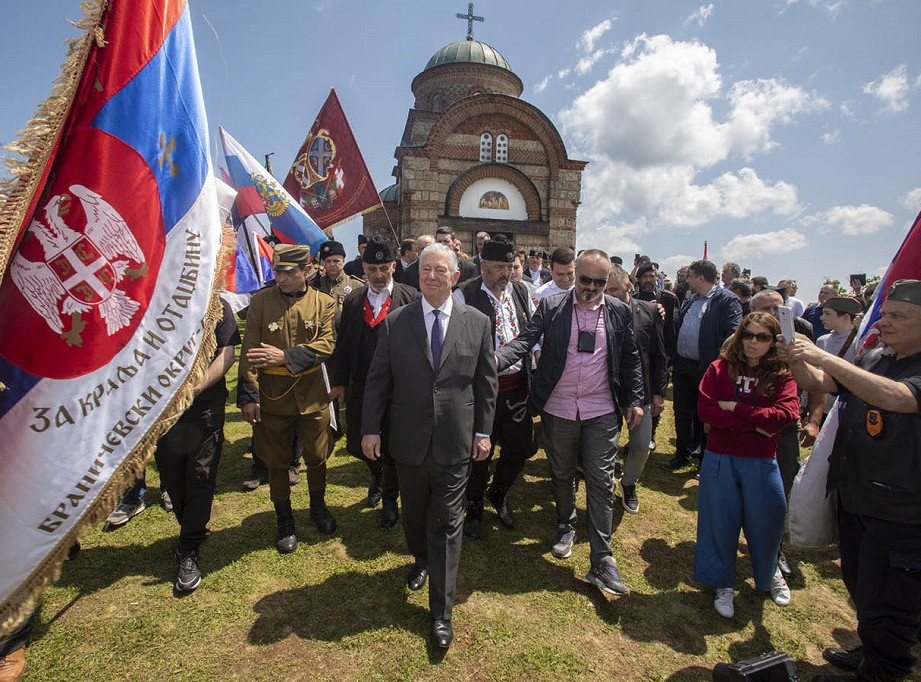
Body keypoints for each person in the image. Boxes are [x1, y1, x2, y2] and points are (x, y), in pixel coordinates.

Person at [361, 243, 497, 649]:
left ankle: (441, 613)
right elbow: (378, 381)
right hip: (408, 440)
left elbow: (485, 385)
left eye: (440, 270)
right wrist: (371, 429)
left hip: (456, 440)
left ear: (455, 276)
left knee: (448, 522)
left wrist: (483, 432)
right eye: (425, 270)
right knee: (416, 513)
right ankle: (420, 557)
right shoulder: (395, 323)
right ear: (416, 275)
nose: (432, 277)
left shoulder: (478, 323)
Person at [784, 280, 921, 682]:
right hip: (858, 496)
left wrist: (824, 357)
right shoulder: (877, 356)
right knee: (864, 586)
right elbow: (819, 383)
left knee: (892, 601)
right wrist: (795, 358)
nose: (883, 322)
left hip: (902, 513)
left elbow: (898, 398)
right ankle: (872, 649)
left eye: (898, 316)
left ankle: (883, 668)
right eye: (885, 313)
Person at [496, 249, 644, 596]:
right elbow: (525, 340)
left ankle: (602, 560)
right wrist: (496, 359)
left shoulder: (619, 311)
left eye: (598, 282)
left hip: (601, 409)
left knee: (601, 481)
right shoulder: (552, 306)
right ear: (575, 274)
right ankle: (565, 524)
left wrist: (635, 399)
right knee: (562, 473)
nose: (590, 287)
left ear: (607, 281)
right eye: (585, 279)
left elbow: (631, 357)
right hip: (559, 406)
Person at [695, 312, 800, 618]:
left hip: (762, 460)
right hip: (720, 456)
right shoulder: (718, 368)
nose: (753, 342)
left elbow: (785, 415)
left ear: (773, 342)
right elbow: (707, 411)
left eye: (762, 337)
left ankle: (769, 573)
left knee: (768, 520)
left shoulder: (782, 375)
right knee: (719, 521)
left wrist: (736, 408)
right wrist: (756, 424)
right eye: (748, 335)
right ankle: (722, 582)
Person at [237, 244, 337, 553]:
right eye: (277, 272)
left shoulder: (324, 302)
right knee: (276, 461)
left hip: (312, 394)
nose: (281, 279)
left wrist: (284, 356)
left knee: (317, 456)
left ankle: (318, 506)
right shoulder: (261, 301)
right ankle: (285, 520)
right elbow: (250, 349)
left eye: (289, 273)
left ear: (306, 271)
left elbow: (327, 345)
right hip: (272, 395)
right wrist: (249, 395)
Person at [329, 235, 417, 528]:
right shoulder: (354, 300)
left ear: (393, 266)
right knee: (359, 443)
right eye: (371, 270)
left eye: (383, 269)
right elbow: (343, 345)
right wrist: (339, 382)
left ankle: (389, 496)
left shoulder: (411, 298)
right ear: (363, 268)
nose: (378, 275)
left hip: (398, 390)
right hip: (362, 387)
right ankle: (376, 475)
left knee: (392, 445)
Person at [155, 297, 240, 592]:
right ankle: (192, 529)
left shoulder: (217, 305)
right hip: (163, 409)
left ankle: (188, 546)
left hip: (204, 406)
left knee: (200, 475)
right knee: (172, 476)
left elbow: (227, 354)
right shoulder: (156, 302)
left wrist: (196, 386)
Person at [456, 236, 537, 538]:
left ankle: (498, 492)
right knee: (480, 452)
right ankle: (474, 506)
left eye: (510, 266)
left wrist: (537, 352)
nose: (506, 273)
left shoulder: (521, 290)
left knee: (521, 447)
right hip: (480, 390)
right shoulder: (464, 294)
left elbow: (532, 330)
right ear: (483, 266)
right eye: (500, 267)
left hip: (516, 387)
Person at [661, 259, 742, 471]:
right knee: (682, 411)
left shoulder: (726, 301)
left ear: (700, 277)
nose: (687, 281)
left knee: (705, 414)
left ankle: (704, 459)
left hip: (707, 368)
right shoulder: (691, 300)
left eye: (690, 276)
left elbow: (732, 334)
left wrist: (719, 364)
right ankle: (682, 454)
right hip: (683, 366)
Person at [605, 265, 667, 513]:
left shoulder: (650, 311)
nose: (608, 294)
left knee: (641, 444)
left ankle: (629, 482)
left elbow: (659, 355)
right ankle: (606, 483)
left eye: (614, 289)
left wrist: (659, 393)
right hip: (607, 390)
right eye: (606, 289)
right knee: (604, 443)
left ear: (628, 286)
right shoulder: (598, 310)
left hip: (640, 391)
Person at [309, 239, 364, 332]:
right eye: (328, 261)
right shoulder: (313, 286)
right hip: (320, 335)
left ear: (343, 261)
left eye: (336, 261)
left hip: (346, 335)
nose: (332, 264)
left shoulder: (357, 286)